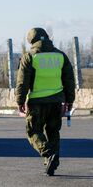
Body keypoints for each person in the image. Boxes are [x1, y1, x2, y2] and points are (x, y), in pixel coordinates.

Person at [15, 28, 75, 176]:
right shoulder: (61, 56)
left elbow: (22, 82)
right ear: (47, 38)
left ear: (31, 41)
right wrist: (69, 100)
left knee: (33, 131)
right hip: (56, 101)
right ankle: (52, 163)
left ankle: (48, 155)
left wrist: (20, 101)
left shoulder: (29, 56)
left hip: (37, 102)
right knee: (53, 131)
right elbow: (69, 80)